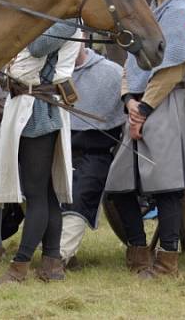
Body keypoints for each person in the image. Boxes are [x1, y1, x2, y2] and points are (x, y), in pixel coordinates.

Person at [104, 0, 185, 279]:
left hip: (165, 105)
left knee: (166, 188)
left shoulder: (180, 12)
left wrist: (144, 108)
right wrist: (128, 101)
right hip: (139, 105)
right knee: (119, 185)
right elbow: (128, 63)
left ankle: (167, 263)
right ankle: (138, 253)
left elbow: (173, 69)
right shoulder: (148, 12)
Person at [0, 0, 80, 283]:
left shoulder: (65, 16)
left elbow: (34, 46)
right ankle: (53, 264)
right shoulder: (45, 13)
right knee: (43, 192)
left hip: (41, 109)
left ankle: (20, 266)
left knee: (37, 193)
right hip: (30, 106)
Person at [59, 41, 125, 270]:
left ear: (82, 39)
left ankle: (59, 257)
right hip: (59, 148)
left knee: (80, 197)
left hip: (94, 153)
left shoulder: (111, 73)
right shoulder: (54, 72)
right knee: (42, 194)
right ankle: (57, 251)